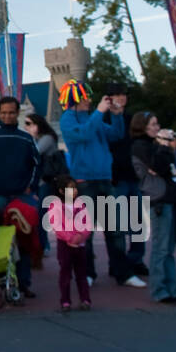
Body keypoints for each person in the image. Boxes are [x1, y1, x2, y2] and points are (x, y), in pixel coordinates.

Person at [58, 82, 145, 290]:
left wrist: (115, 115)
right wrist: (98, 112)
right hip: (83, 180)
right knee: (85, 232)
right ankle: (87, 273)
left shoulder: (91, 117)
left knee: (115, 230)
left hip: (105, 178)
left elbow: (115, 134)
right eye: (86, 97)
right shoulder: (67, 119)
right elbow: (83, 135)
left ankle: (122, 273)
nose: (89, 99)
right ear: (76, 99)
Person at [0, 95, 41, 296]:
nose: (7, 116)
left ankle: (23, 282)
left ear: (18, 113)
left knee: (23, 239)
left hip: (20, 195)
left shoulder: (26, 138)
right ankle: (1, 278)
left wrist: (31, 186)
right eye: (3, 113)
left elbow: (37, 164)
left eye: (11, 113)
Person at [131, 112, 176, 305]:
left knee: (168, 248)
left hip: (167, 197)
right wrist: (164, 146)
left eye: (157, 123)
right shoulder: (141, 146)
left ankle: (172, 289)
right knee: (161, 248)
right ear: (143, 126)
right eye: (153, 124)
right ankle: (160, 290)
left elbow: (166, 166)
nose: (157, 127)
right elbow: (159, 166)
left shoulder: (152, 146)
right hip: (158, 199)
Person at [104, 82, 148, 274]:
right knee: (118, 225)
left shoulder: (132, 120)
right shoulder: (103, 119)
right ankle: (118, 263)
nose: (121, 98)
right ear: (109, 98)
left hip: (133, 177)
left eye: (123, 94)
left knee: (138, 222)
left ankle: (136, 260)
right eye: (117, 94)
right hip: (115, 178)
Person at [46, 174, 93, 311]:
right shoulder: (56, 205)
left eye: (75, 188)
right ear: (61, 191)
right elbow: (57, 226)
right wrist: (70, 238)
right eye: (71, 188)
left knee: (82, 274)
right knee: (65, 274)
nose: (75, 191)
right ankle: (65, 301)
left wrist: (81, 236)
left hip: (80, 244)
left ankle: (85, 299)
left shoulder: (80, 204)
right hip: (65, 245)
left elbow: (88, 223)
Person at [24, 112, 63, 253]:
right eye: (25, 124)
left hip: (47, 181)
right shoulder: (40, 138)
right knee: (40, 213)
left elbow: (35, 153)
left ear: (38, 125)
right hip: (40, 181)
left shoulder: (46, 138)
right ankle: (42, 243)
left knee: (42, 213)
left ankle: (44, 244)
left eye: (29, 124)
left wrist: (32, 138)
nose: (26, 127)